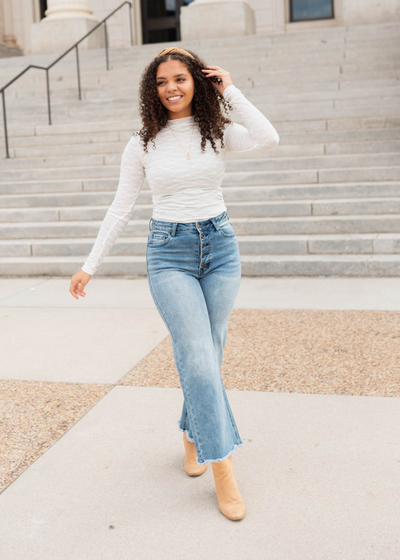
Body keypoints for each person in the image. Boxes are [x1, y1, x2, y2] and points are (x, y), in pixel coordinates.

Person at [69, 46, 279, 521]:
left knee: (212, 351)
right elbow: (120, 207)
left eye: (181, 78)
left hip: (220, 248)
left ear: (196, 81)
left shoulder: (217, 130)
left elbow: (268, 138)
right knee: (198, 358)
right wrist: (90, 264)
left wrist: (230, 90)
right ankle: (222, 466)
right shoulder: (142, 143)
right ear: (152, 89)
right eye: (163, 81)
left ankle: (192, 432)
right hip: (169, 254)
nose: (172, 88)